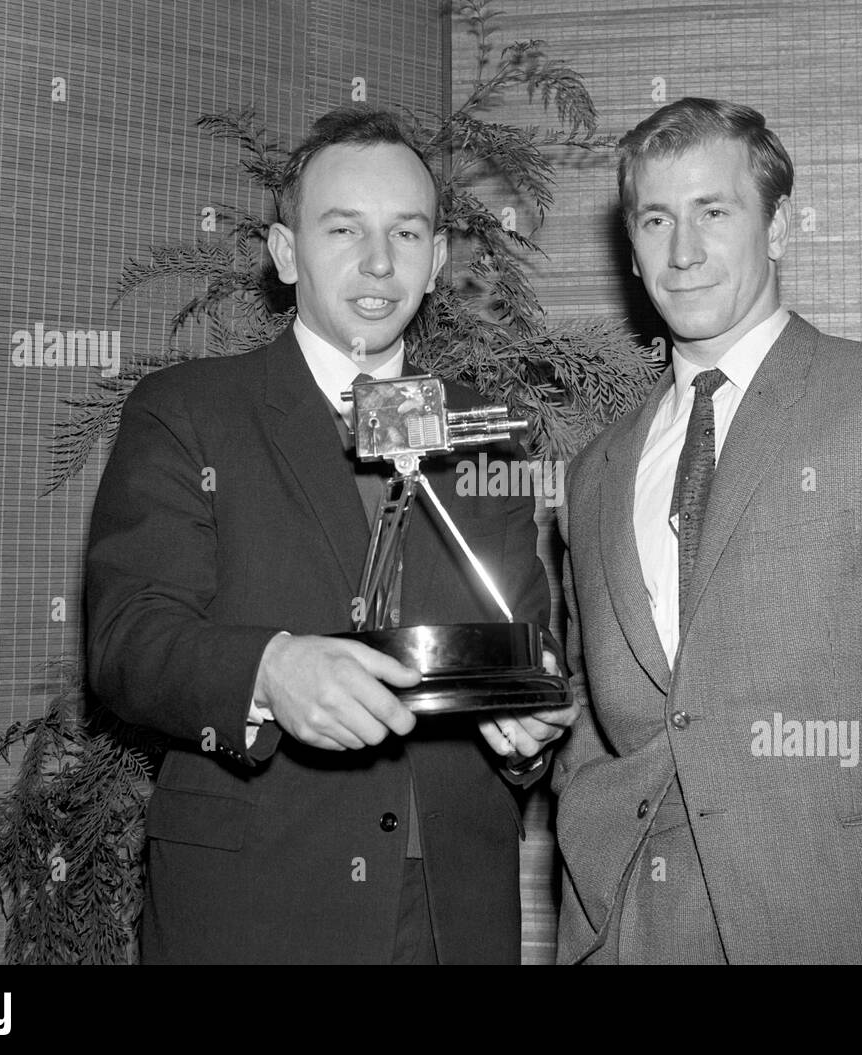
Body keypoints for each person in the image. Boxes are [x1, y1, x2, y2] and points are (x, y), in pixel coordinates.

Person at [553, 98, 862, 964]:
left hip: (844, 926)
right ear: (630, 248)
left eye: (715, 211)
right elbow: (607, 722)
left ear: (778, 225)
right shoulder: (593, 471)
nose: (684, 250)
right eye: (657, 219)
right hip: (632, 929)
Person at [85, 108, 576, 964]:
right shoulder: (187, 413)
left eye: (406, 232)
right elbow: (129, 639)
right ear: (285, 253)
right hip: (257, 907)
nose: (378, 262)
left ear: (437, 262)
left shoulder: (488, 432)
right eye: (343, 229)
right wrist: (270, 670)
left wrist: (530, 729)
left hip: (454, 908)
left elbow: (523, 650)